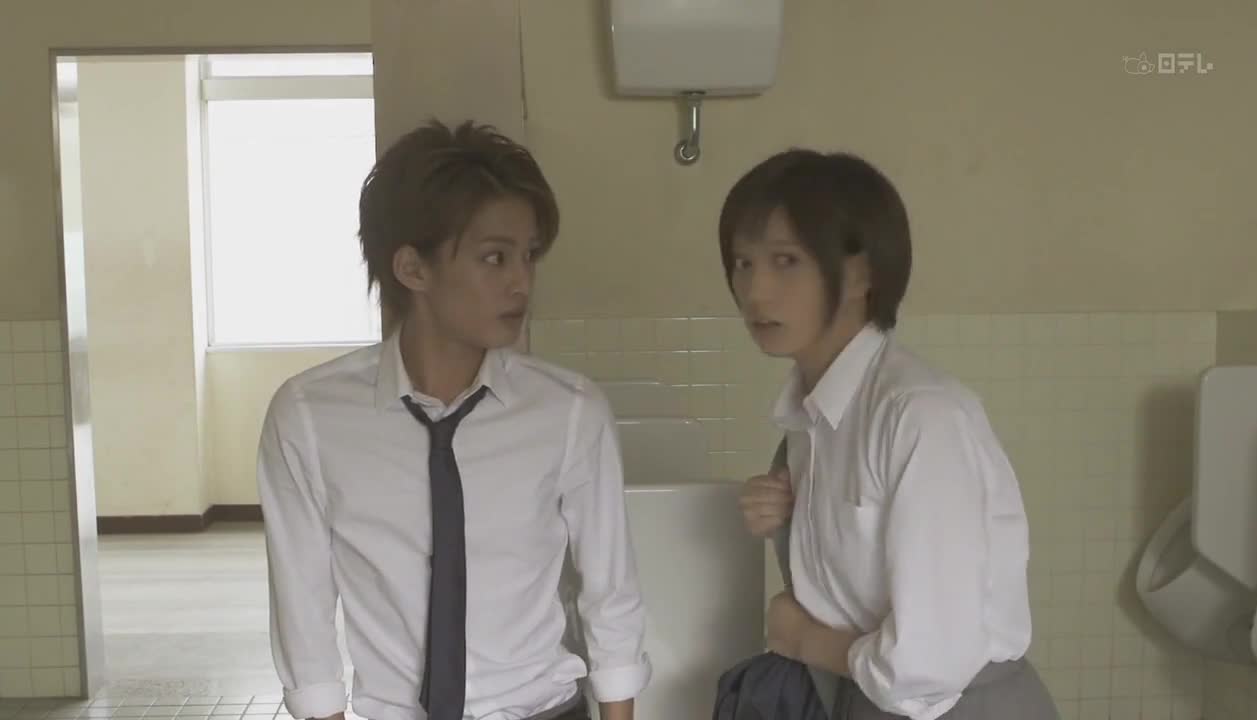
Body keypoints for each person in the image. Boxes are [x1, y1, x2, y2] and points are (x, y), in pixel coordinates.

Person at [256, 120, 651, 720]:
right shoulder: (309, 417)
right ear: (413, 269)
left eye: (529, 255)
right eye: (495, 257)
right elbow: (302, 609)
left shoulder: (569, 410)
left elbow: (609, 592)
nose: (521, 281)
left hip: (542, 709)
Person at [726, 149, 1058, 720]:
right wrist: (787, 524)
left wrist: (802, 638)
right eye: (743, 262)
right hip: (869, 699)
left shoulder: (920, 416)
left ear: (860, 274)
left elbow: (927, 667)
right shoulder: (812, 419)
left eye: (785, 261)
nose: (755, 290)